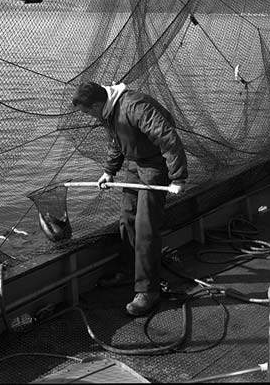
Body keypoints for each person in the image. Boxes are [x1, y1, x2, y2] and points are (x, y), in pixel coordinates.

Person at [71, 80, 188, 316]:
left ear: (96, 104)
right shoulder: (108, 111)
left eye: (87, 112)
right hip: (136, 165)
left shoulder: (135, 106)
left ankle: (149, 290)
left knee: (146, 227)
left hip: (156, 166)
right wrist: (109, 171)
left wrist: (178, 178)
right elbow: (117, 142)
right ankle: (131, 272)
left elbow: (167, 136)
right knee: (128, 219)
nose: (89, 117)